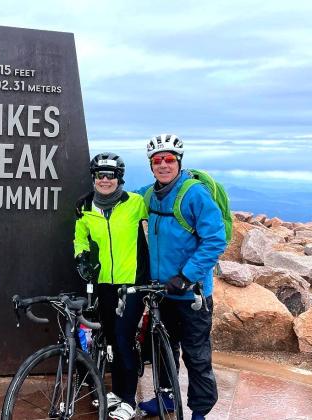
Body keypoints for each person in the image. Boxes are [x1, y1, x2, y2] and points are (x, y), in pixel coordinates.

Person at [138, 134, 226, 420]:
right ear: (151, 165)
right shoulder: (149, 194)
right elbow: (123, 201)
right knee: (163, 349)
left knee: (196, 355)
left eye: (169, 160)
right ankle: (166, 399)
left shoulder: (194, 193)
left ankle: (200, 411)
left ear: (179, 162)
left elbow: (215, 239)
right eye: (157, 161)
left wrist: (187, 275)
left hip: (192, 294)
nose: (163, 165)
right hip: (162, 291)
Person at [74, 152, 149, 419]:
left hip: (131, 284)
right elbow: (80, 238)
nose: (105, 180)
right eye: (100, 175)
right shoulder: (84, 206)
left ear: (119, 178)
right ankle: (117, 391)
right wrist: (81, 257)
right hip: (104, 284)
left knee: (122, 338)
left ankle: (129, 399)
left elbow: (163, 220)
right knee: (110, 339)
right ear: (94, 177)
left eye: (111, 175)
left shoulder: (135, 203)